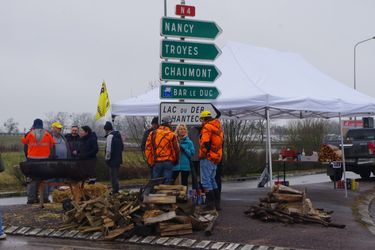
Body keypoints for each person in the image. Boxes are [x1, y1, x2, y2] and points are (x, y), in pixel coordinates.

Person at [21, 118, 55, 204]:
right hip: (45, 160)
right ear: (42, 125)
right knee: (45, 179)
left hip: (32, 161)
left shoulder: (29, 134)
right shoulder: (48, 134)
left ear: (34, 124)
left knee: (32, 179)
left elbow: (24, 142)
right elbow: (52, 145)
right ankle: (45, 199)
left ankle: (32, 199)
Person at [199, 110, 224, 211]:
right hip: (216, 158)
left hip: (207, 158)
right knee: (213, 180)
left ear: (204, 119)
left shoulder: (207, 127)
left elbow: (205, 142)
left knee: (205, 181)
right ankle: (217, 204)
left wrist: (205, 154)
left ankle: (210, 205)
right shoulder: (219, 127)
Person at [145, 116, 180, 184]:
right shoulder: (171, 134)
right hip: (168, 162)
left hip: (156, 162)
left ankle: (155, 194)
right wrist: (176, 160)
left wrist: (150, 162)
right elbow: (176, 149)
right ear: (169, 123)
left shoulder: (153, 133)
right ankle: (164, 194)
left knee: (155, 183)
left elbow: (147, 148)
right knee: (166, 183)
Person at [104, 121, 124, 194]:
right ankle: (116, 189)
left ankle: (115, 190)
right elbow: (122, 147)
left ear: (106, 130)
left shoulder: (110, 136)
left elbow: (108, 149)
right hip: (118, 158)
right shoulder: (118, 135)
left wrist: (107, 159)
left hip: (112, 159)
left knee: (113, 176)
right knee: (116, 175)